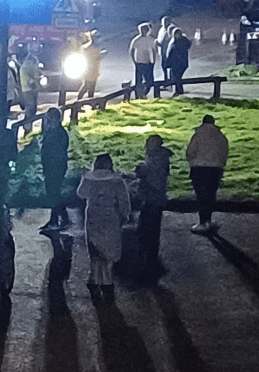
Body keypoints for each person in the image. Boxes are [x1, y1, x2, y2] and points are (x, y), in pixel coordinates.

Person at [77, 153, 131, 304]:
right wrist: (124, 215)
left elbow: (81, 193)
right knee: (108, 249)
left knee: (95, 249)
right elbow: (123, 201)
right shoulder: (117, 181)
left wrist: (83, 177)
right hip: (111, 218)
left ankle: (94, 278)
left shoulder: (90, 179)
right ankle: (107, 281)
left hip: (94, 217)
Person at [134, 134, 173, 281]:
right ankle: (148, 256)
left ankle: (147, 260)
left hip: (153, 197)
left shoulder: (157, 158)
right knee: (149, 226)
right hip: (154, 197)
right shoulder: (159, 156)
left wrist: (141, 171)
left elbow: (153, 174)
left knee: (149, 227)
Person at [187, 114, 229, 234]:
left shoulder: (198, 136)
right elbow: (224, 153)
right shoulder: (221, 137)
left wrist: (192, 162)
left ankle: (202, 222)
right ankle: (208, 221)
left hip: (199, 169)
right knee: (211, 195)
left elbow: (190, 152)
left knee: (201, 196)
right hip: (215, 169)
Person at [40, 107, 70, 230]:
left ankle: (55, 219)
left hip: (56, 167)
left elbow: (57, 151)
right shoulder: (52, 132)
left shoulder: (60, 134)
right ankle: (63, 217)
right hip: (51, 167)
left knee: (53, 192)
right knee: (53, 192)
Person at [128, 22, 158, 99]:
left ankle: (144, 93)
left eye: (144, 29)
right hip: (139, 62)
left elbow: (154, 50)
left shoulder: (150, 39)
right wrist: (134, 60)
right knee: (139, 81)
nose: (143, 31)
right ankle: (138, 95)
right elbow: (132, 50)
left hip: (148, 62)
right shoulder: (136, 40)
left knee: (149, 80)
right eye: (141, 29)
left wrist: (153, 60)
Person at [18, 43, 42, 135]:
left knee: (32, 108)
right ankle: (27, 129)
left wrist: (35, 83)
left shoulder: (32, 59)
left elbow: (36, 73)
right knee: (30, 108)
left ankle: (28, 128)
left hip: (31, 88)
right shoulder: (22, 59)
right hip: (26, 88)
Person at [77, 30, 102, 100]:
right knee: (86, 87)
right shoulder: (87, 48)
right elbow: (90, 58)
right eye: (97, 37)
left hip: (95, 71)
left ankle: (90, 103)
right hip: (89, 71)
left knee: (91, 89)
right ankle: (78, 102)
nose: (99, 38)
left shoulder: (96, 47)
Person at [166, 27, 191, 97]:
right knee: (177, 77)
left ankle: (179, 91)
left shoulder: (181, 42)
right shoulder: (176, 41)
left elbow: (173, 53)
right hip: (177, 63)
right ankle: (179, 90)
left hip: (179, 63)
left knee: (177, 76)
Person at [157, 16, 173, 82]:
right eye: (163, 22)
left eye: (166, 21)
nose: (164, 23)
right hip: (162, 50)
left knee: (171, 65)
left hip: (169, 50)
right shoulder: (161, 29)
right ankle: (166, 79)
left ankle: (171, 79)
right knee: (163, 65)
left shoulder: (172, 28)